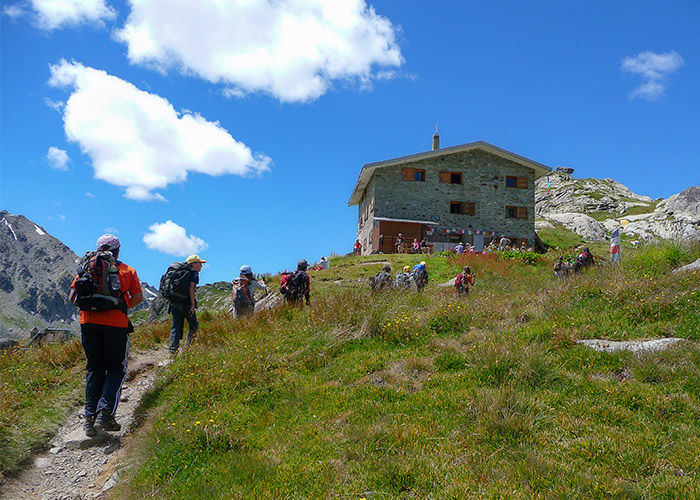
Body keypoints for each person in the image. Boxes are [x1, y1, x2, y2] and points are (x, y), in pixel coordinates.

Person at [69, 234, 142, 436]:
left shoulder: (86, 267)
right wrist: (119, 306)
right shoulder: (127, 270)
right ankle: (106, 413)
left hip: (88, 322)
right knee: (116, 368)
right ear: (118, 250)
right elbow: (137, 297)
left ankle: (89, 418)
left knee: (94, 367)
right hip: (116, 324)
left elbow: (73, 296)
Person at [168, 254, 205, 355]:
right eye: (200, 263)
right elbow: (191, 289)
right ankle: (188, 348)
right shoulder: (194, 273)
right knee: (193, 325)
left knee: (176, 326)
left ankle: (172, 351)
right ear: (193, 264)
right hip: (187, 304)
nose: (201, 266)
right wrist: (193, 305)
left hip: (175, 303)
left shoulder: (180, 272)